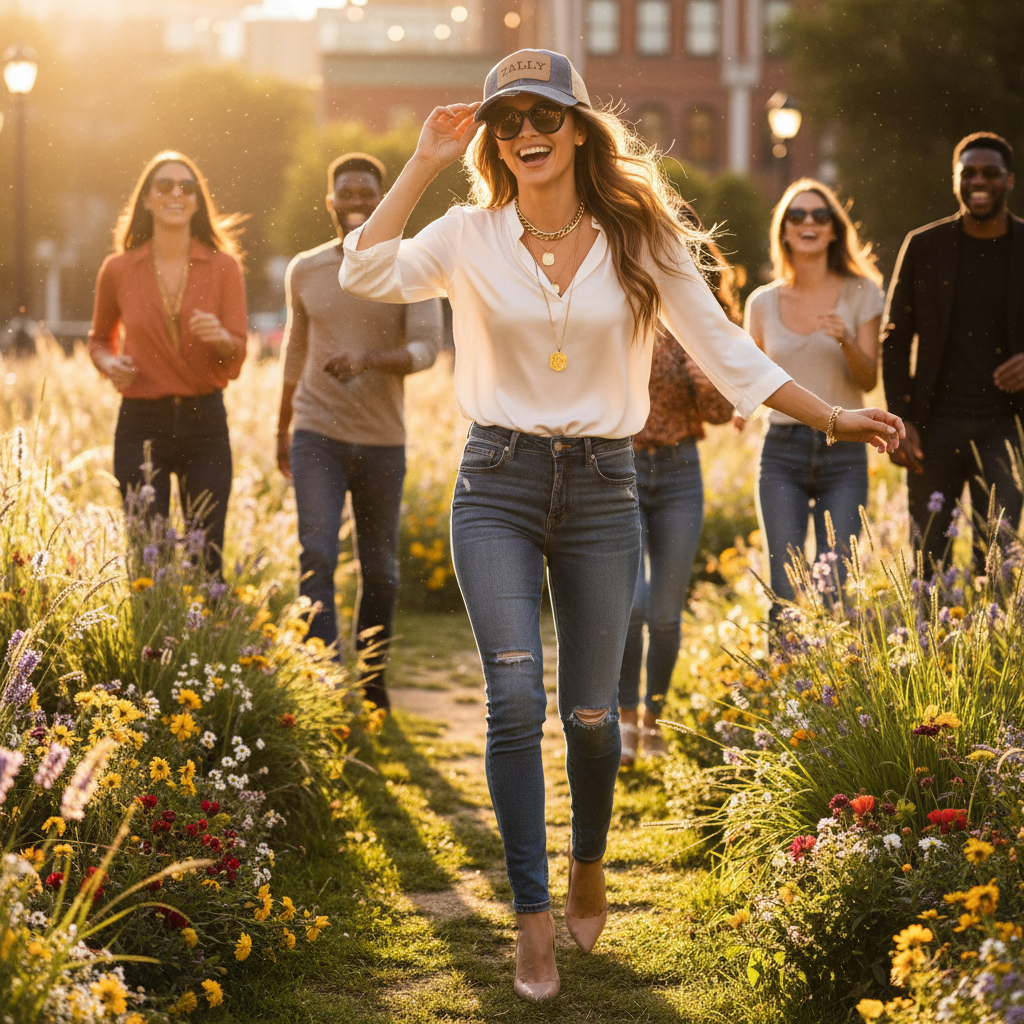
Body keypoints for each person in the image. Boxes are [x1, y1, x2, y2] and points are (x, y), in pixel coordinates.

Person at [340, 48, 902, 1001]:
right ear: (492, 136)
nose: (525, 134)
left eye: (543, 116)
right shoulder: (468, 234)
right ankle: (530, 921)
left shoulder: (638, 237)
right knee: (516, 701)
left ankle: (589, 859)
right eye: (506, 120)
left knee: (592, 717)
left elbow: (727, 353)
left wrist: (838, 415)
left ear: (578, 127)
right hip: (497, 486)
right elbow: (364, 271)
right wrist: (423, 163)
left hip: (605, 492)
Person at [276, 153, 442, 712]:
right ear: (331, 202)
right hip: (316, 433)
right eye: (345, 193)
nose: (356, 202)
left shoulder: (412, 267)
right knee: (316, 554)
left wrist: (369, 358)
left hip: (381, 442)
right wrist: (282, 427)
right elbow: (294, 350)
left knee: (382, 571)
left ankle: (371, 681)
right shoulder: (305, 269)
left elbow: (426, 351)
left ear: (382, 199)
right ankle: (324, 681)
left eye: (367, 193)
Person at [88, 151, 247, 578]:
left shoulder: (224, 267)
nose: (176, 193)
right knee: (148, 553)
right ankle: (151, 644)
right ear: (147, 200)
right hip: (141, 423)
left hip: (205, 421)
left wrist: (222, 338)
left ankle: (208, 644)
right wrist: (109, 362)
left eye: (186, 187)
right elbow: (99, 339)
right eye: (164, 186)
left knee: (205, 554)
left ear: (197, 201)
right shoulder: (118, 269)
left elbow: (238, 353)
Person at [617, 228, 737, 767]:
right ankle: (621, 717)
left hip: (680, 472)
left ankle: (652, 719)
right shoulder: (618, 304)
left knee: (666, 613)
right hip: (621, 469)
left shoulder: (706, 321)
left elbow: (717, 412)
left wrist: (698, 361)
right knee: (633, 605)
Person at [742, 178, 884, 611]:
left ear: (834, 229)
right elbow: (751, 377)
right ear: (783, 230)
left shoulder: (862, 292)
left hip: (844, 453)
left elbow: (867, 380)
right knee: (784, 588)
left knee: (836, 587)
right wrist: (737, 408)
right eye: (796, 215)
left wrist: (845, 339)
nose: (808, 222)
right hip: (781, 450)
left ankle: (834, 680)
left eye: (820, 216)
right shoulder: (762, 303)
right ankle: (784, 679)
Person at [883, 132, 1024, 568]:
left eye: (990, 173)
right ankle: (928, 637)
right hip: (934, 427)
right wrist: (902, 419)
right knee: (928, 560)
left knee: (998, 562)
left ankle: (994, 637)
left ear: (1010, 181)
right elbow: (895, 335)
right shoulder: (924, 245)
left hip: (1006, 429)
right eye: (969, 173)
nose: (979, 181)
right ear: (955, 180)